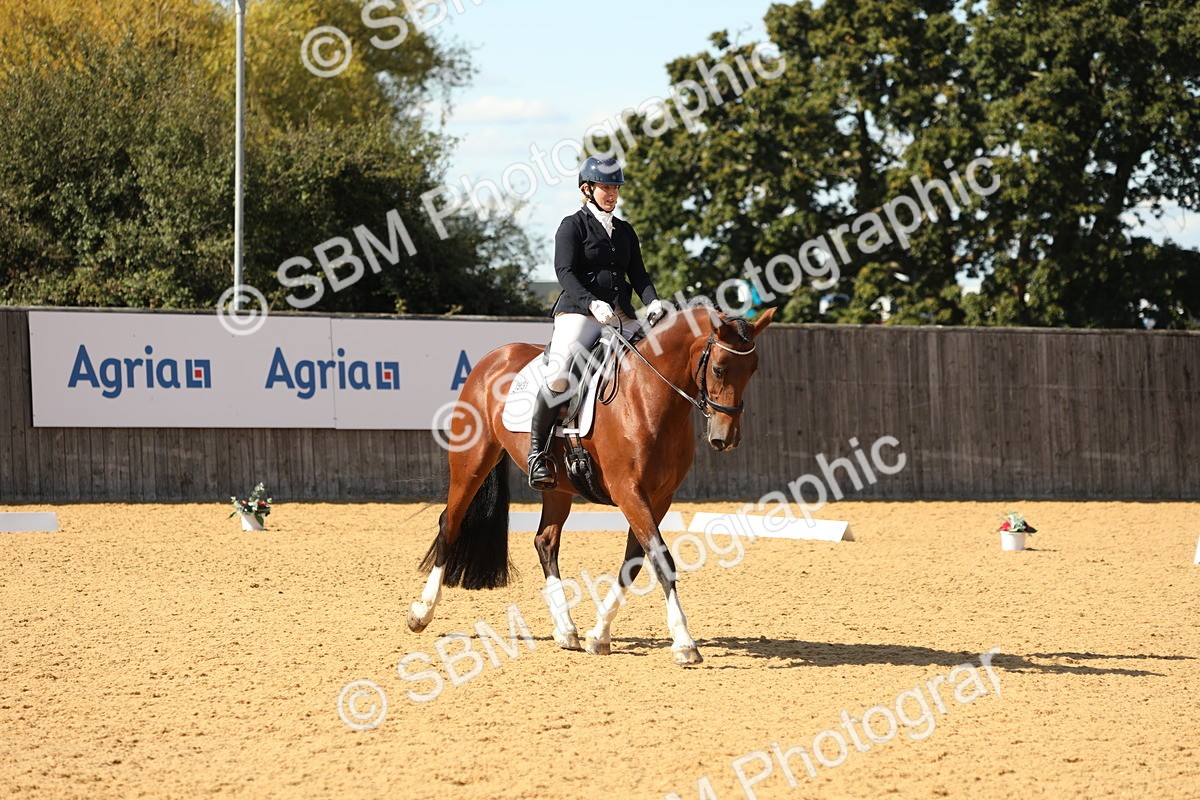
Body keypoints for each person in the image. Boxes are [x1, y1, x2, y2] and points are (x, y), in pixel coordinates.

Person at [526, 155, 666, 490]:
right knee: (560, 374)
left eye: (615, 187)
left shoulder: (625, 231)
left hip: (619, 315)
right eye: (606, 187)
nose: (612, 193)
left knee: (655, 358)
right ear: (587, 189)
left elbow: (639, 274)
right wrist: (591, 302)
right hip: (578, 312)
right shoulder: (572, 225)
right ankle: (537, 455)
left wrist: (653, 301)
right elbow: (564, 272)